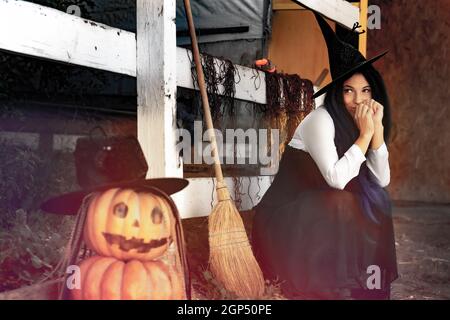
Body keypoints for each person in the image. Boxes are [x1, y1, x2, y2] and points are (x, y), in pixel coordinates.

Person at [251, 12, 398, 300]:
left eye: (365, 91)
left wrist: (376, 133)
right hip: (284, 219)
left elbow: (382, 179)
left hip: (319, 213)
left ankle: (360, 284)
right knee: (343, 201)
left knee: (376, 199)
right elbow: (336, 179)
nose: (358, 101)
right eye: (349, 92)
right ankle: (328, 288)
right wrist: (365, 137)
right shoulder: (321, 120)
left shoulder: (362, 120)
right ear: (337, 94)